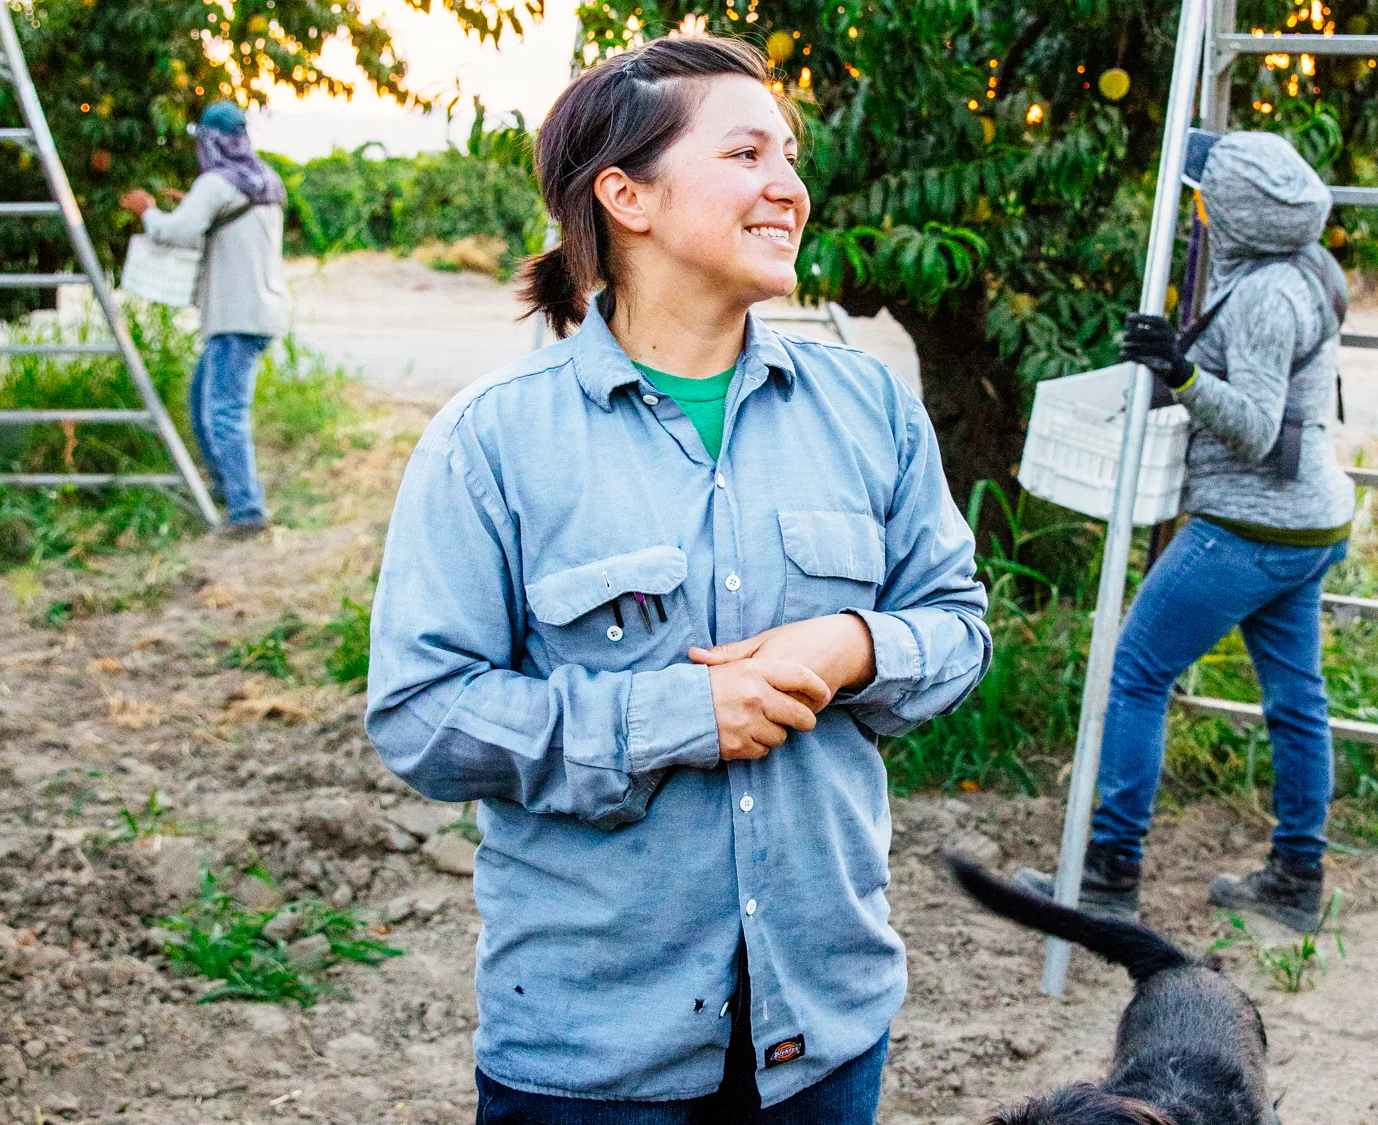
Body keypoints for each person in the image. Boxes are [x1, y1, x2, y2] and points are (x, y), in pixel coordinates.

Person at [364, 35, 989, 1125]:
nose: (788, 188)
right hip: (594, 1051)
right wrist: (672, 715)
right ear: (626, 196)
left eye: (788, 157)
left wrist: (850, 644)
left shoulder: (867, 408)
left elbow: (956, 628)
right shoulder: (492, 442)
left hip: (824, 1022)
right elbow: (420, 716)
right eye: (745, 154)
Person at [1025, 132, 1354, 934]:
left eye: (1209, 194)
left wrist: (1181, 372)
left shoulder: (1269, 298)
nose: (1199, 201)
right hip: (1309, 519)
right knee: (1296, 699)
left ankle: (1109, 869)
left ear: (1236, 214)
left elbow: (1252, 424)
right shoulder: (1310, 265)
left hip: (1250, 524)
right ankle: (1297, 876)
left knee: (1136, 672)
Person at [120, 100, 290, 537]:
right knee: (203, 405)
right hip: (259, 310)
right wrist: (191, 202)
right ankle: (226, 489)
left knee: (224, 413)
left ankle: (247, 511)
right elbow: (219, 218)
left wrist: (147, 211)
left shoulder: (216, 183)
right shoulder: (264, 178)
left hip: (236, 315)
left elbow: (177, 230)